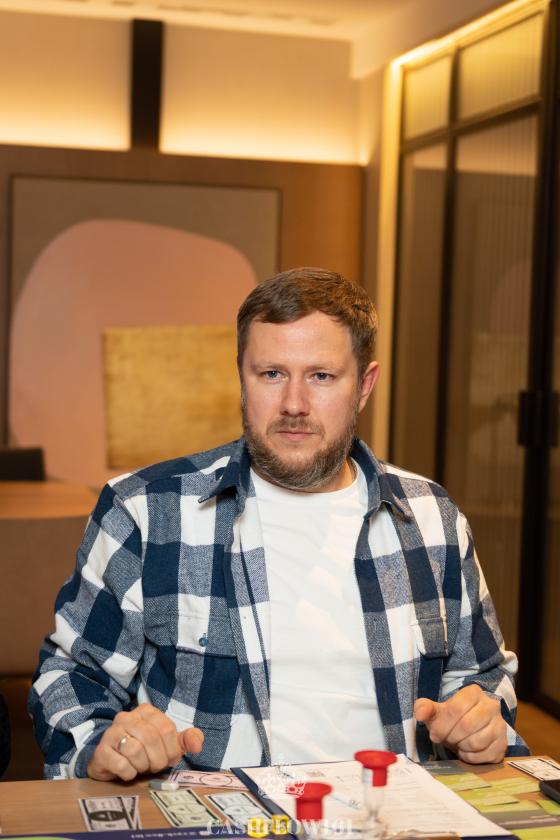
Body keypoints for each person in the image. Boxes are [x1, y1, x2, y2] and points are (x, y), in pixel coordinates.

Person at [29, 267, 529, 781]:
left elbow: (483, 678)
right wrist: (104, 745)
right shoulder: (146, 510)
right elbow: (70, 677)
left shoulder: (431, 518)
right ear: (241, 377)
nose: (294, 404)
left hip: (394, 810)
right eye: (271, 374)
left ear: (364, 385)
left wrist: (481, 719)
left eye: (321, 376)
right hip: (213, 813)